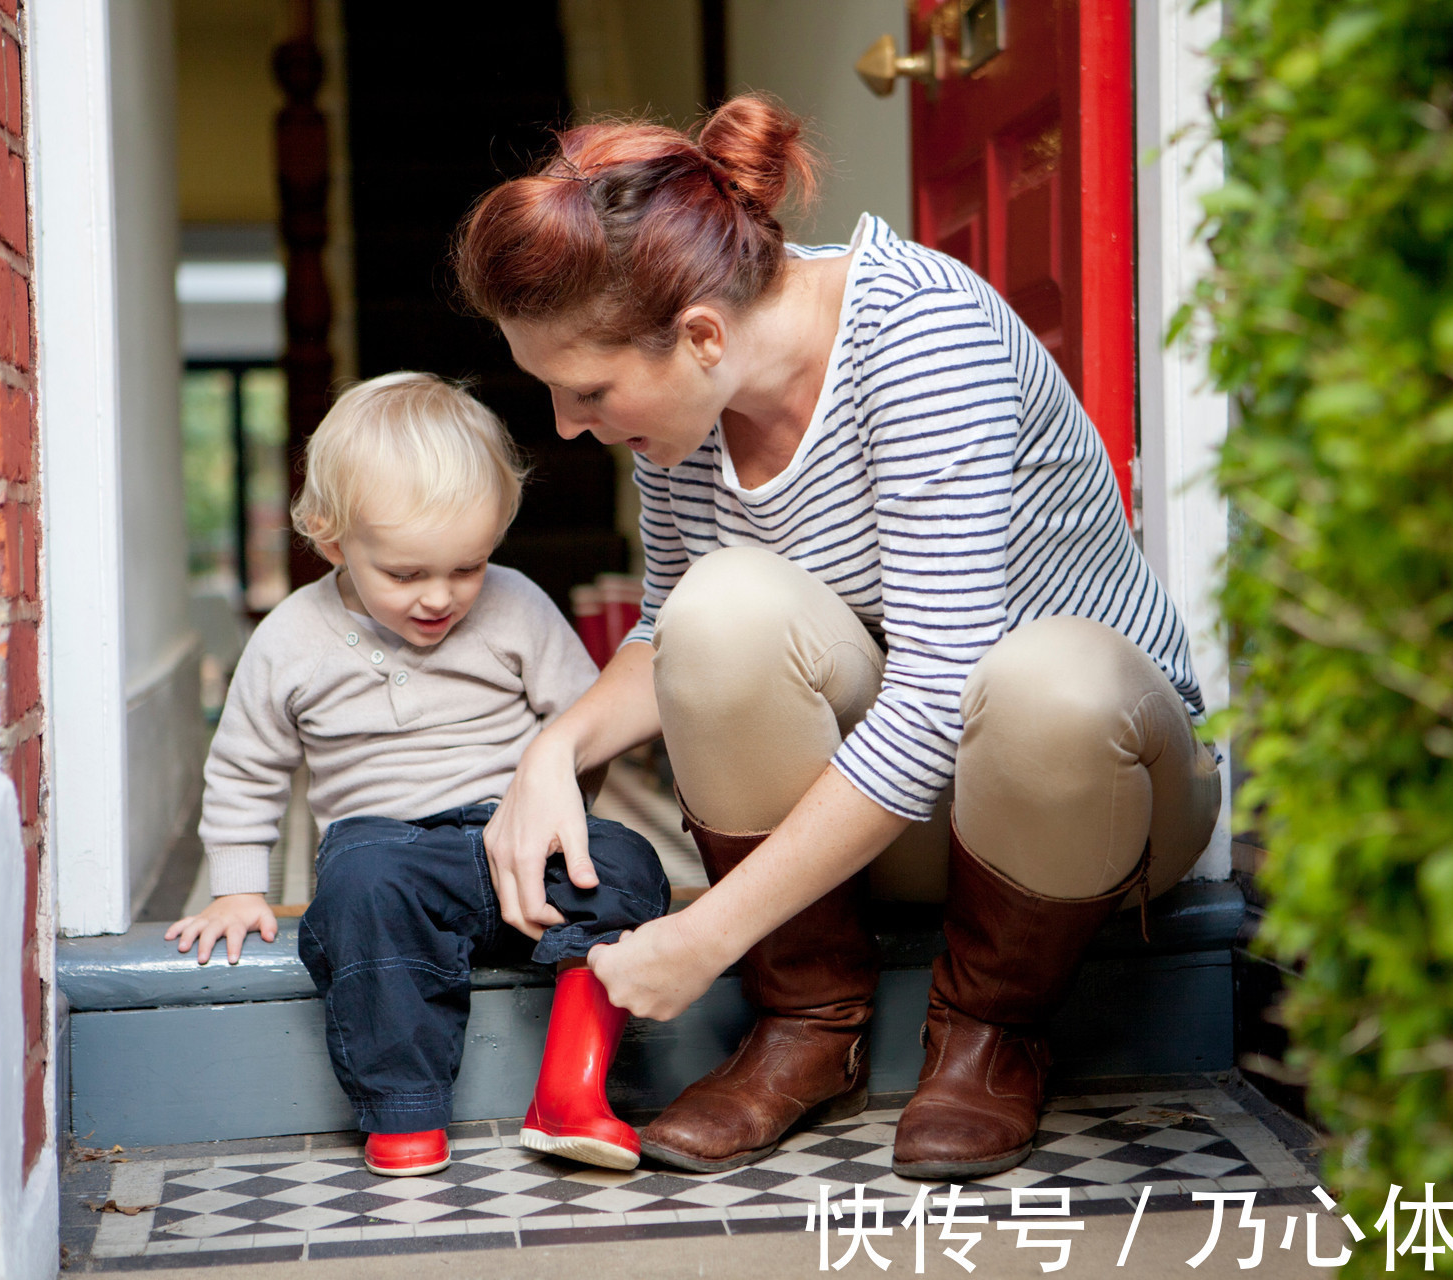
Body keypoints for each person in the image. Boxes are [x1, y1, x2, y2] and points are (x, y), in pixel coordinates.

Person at [456, 93, 1221, 1181]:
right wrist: (552, 752)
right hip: (911, 819)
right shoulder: (678, 408)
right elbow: (671, 627)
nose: (571, 425)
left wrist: (703, 933)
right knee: (721, 608)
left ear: (703, 334)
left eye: (585, 391)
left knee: (1048, 676)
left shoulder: (921, 335)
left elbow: (932, 692)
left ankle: (992, 1030)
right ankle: (805, 1025)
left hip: (1092, 804)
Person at [165, 372, 670, 1176]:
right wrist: (236, 886)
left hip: (514, 844)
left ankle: (571, 1088)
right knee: (359, 891)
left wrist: (567, 813)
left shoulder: (515, 606)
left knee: (628, 865)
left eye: (467, 567)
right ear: (333, 541)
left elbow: (586, 720)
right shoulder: (292, 639)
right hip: (390, 851)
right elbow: (246, 767)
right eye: (406, 574)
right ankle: (405, 1110)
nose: (441, 597)